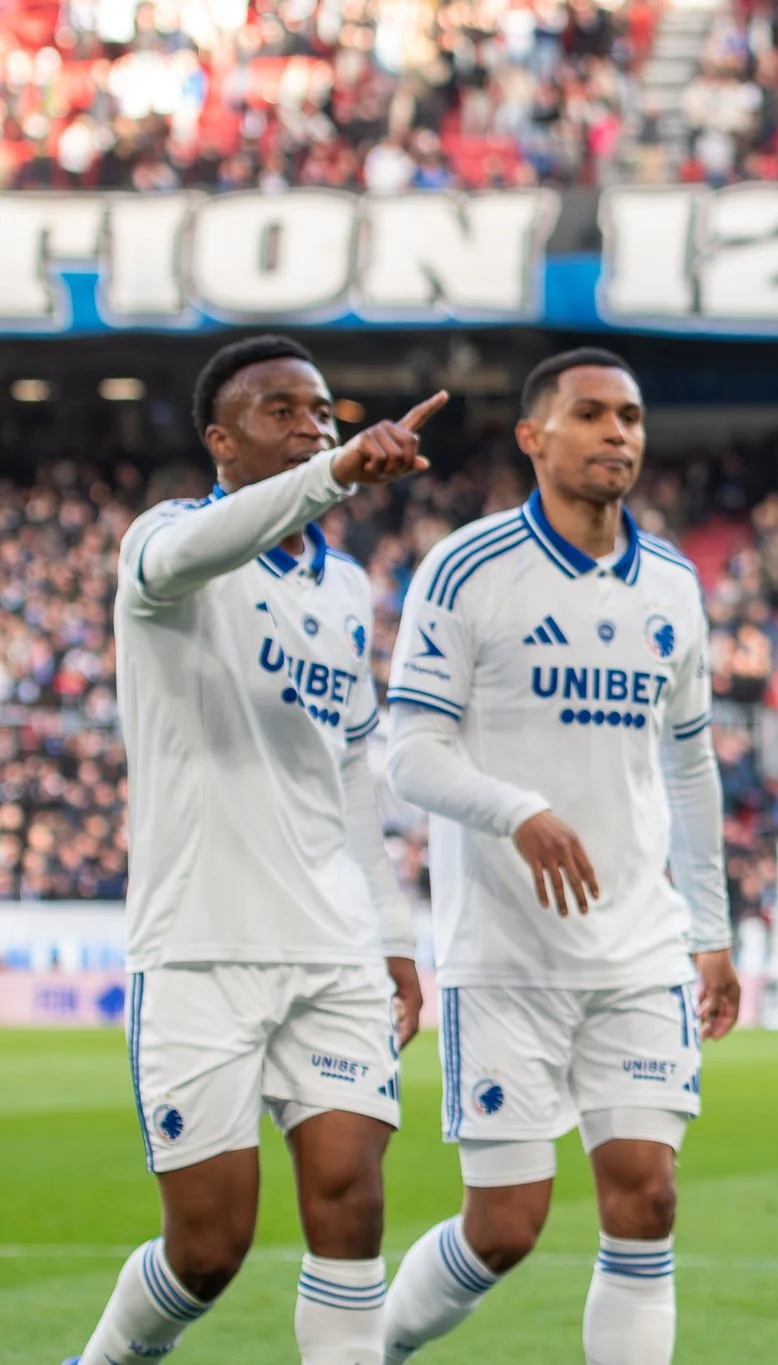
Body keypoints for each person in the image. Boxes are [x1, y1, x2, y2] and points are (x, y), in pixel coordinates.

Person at [71, 336, 439, 1365]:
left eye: (321, 411)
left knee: (351, 1212)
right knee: (209, 1248)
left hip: (334, 952)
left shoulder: (345, 587)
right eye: (282, 412)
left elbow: (352, 776)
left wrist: (395, 937)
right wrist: (334, 473)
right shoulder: (164, 544)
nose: (312, 427)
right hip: (201, 951)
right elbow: (198, 551)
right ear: (220, 439)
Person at [377, 348, 741, 1365]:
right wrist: (517, 812)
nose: (616, 433)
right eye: (589, 415)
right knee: (504, 1228)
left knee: (647, 1196)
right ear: (532, 436)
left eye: (628, 415)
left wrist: (710, 932)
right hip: (506, 952)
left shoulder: (671, 581)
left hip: (637, 944)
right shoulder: (466, 567)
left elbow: (690, 764)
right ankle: (373, 1349)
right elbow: (408, 750)